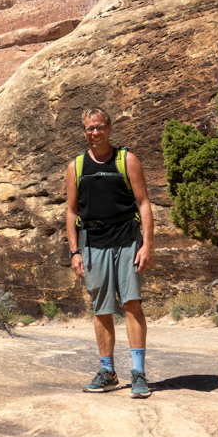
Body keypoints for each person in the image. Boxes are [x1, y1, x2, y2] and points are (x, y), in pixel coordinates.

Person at [65, 107, 154, 397]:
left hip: (127, 239)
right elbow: (71, 211)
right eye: (90, 129)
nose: (95, 133)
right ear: (84, 131)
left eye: (100, 127)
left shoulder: (127, 160)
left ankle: (139, 373)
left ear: (109, 128)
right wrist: (74, 251)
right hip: (93, 243)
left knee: (131, 303)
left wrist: (147, 244)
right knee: (101, 308)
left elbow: (143, 203)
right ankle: (108, 372)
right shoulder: (76, 167)